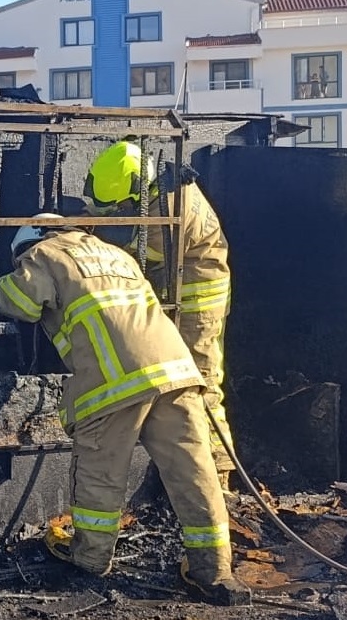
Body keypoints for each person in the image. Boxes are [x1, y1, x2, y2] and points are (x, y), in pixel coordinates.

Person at [0, 213, 251, 605]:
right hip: (175, 370)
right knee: (192, 473)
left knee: (100, 471)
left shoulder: (43, 253)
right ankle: (214, 572)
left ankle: (90, 560)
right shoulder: (116, 254)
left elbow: (21, 303)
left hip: (114, 380)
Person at [84, 140, 236, 486]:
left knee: (201, 382)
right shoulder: (155, 189)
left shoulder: (171, 205)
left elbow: (143, 255)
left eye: (118, 207)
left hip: (198, 302)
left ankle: (218, 476)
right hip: (176, 294)